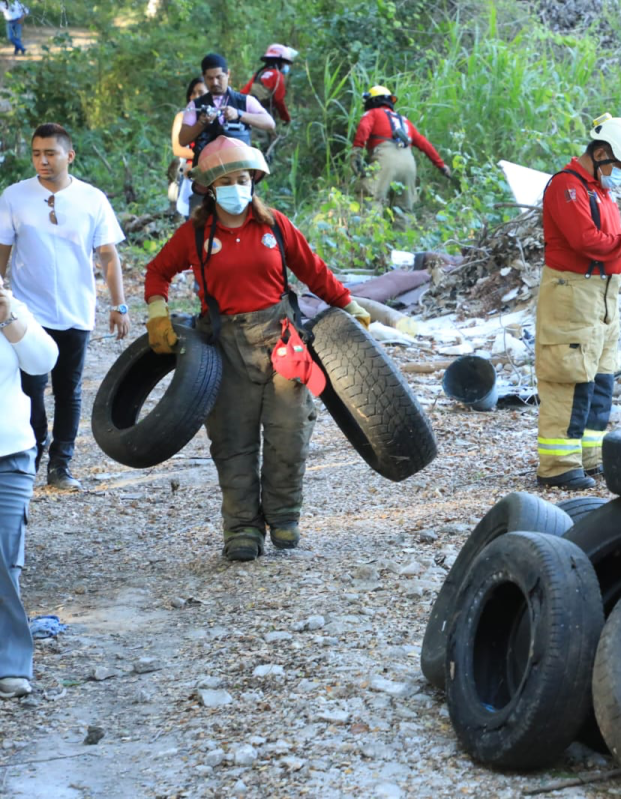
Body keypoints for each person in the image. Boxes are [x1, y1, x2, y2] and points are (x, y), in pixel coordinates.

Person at [143, 136, 370, 562]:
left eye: (243, 179)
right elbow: (157, 271)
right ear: (210, 188)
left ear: (254, 182)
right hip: (224, 345)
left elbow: (313, 270)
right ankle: (242, 527)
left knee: (290, 431)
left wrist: (348, 305)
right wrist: (158, 311)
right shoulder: (195, 234)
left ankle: (283, 516)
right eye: (226, 181)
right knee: (233, 440)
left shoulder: (274, 226)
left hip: (283, 340)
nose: (236, 188)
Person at [0, 123, 129, 492]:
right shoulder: (14, 196)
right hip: (27, 313)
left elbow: (108, 255)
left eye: (50, 153)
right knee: (30, 388)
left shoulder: (92, 199)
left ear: (69, 155)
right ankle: (33, 451)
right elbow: (2, 251)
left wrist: (119, 304)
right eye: (36, 154)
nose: (42, 160)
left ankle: (61, 464)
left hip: (75, 310)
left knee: (68, 390)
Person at [535, 114, 621, 490]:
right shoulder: (566, 186)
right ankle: (558, 466)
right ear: (601, 153)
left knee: (600, 378)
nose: (619, 174)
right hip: (573, 294)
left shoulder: (599, 191)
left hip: (603, 297)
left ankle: (589, 457)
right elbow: (584, 240)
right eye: (618, 165)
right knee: (570, 378)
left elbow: (605, 234)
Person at [0, 271, 57, 700]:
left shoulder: (10, 309)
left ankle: (11, 664)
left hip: (10, 452)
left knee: (4, 562)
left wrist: (8, 314)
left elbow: (42, 360)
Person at [177, 53, 276, 213]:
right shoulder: (195, 105)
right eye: (210, 78)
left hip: (239, 176)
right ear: (204, 77)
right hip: (207, 176)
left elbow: (269, 123)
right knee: (199, 218)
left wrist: (239, 114)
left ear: (228, 74)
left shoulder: (245, 101)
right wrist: (201, 123)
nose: (215, 82)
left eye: (219, 77)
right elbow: (182, 139)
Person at [351, 85, 452, 211]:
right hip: (409, 164)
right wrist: (441, 166)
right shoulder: (404, 120)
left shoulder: (372, 113)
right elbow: (424, 143)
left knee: (370, 199)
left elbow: (363, 129)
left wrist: (356, 152)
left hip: (386, 161)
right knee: (404, 209)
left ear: (372, 101)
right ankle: (404, 224)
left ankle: (372, 224)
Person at [169, 77, 206, 217]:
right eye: (193, 93)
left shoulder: (217, 116)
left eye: (201, 93)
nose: (196, 96)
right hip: (188, 172)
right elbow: (178, 149)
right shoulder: (182, 116)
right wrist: (202, 157)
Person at [241, 44, 298, 127]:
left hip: (248, 113)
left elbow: (244, 92)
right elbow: (279, 100)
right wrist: (285, 117)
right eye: (285, 63)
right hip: (263, 116)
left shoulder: (260, 73)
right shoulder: (278, 76)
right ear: (280, 62)